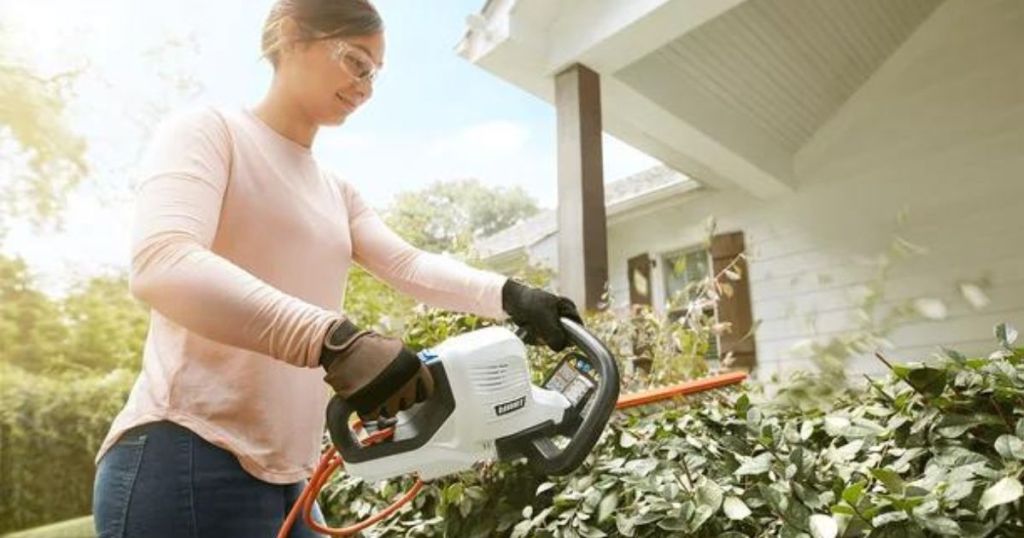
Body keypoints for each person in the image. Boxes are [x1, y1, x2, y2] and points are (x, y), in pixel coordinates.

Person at [90, 1, 582, 536]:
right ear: (290, 36)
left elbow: (407, 264)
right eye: (356, 61)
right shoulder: (211, 132)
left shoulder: (335, 191)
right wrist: (332, 340)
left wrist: (509, 295)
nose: (367, 86)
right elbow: (163, 262)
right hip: (186, 450)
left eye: (376, 72)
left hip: (290, 476)